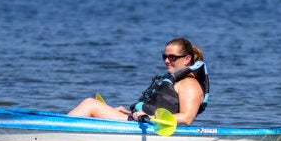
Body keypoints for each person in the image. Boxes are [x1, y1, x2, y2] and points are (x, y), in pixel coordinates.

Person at [67, 37, 209, 126]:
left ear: (187, 59)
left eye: (172, 57)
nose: (166, 61)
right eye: (164, 56)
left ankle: (60, 127)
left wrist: (150, 117)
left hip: (155, 127)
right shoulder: (176, 81)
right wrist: (128, 113)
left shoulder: (190, 85)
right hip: (140, 122)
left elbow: (187, 118)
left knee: (90, 104)